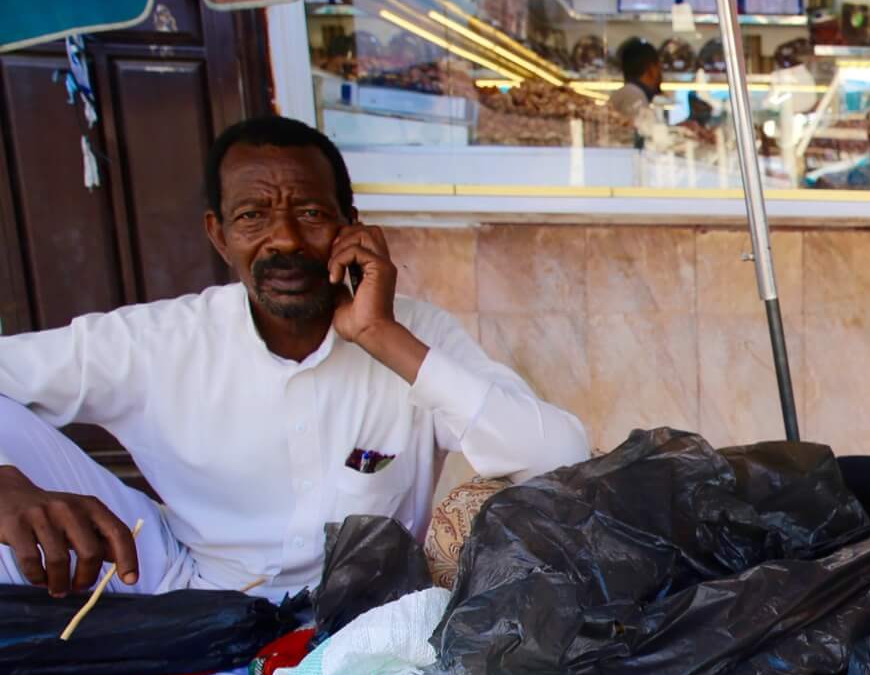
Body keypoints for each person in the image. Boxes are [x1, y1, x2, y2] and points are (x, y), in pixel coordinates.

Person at [0, 115, 589, 605]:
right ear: (218, 234)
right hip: (187, 586)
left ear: (348, 227)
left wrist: (381, 334)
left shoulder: (413, 333)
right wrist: (7, 488)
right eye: (252, 216)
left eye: (309, 214)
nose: (282, 239)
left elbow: (559, 455)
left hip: (359, 621)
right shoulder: (157, 341)